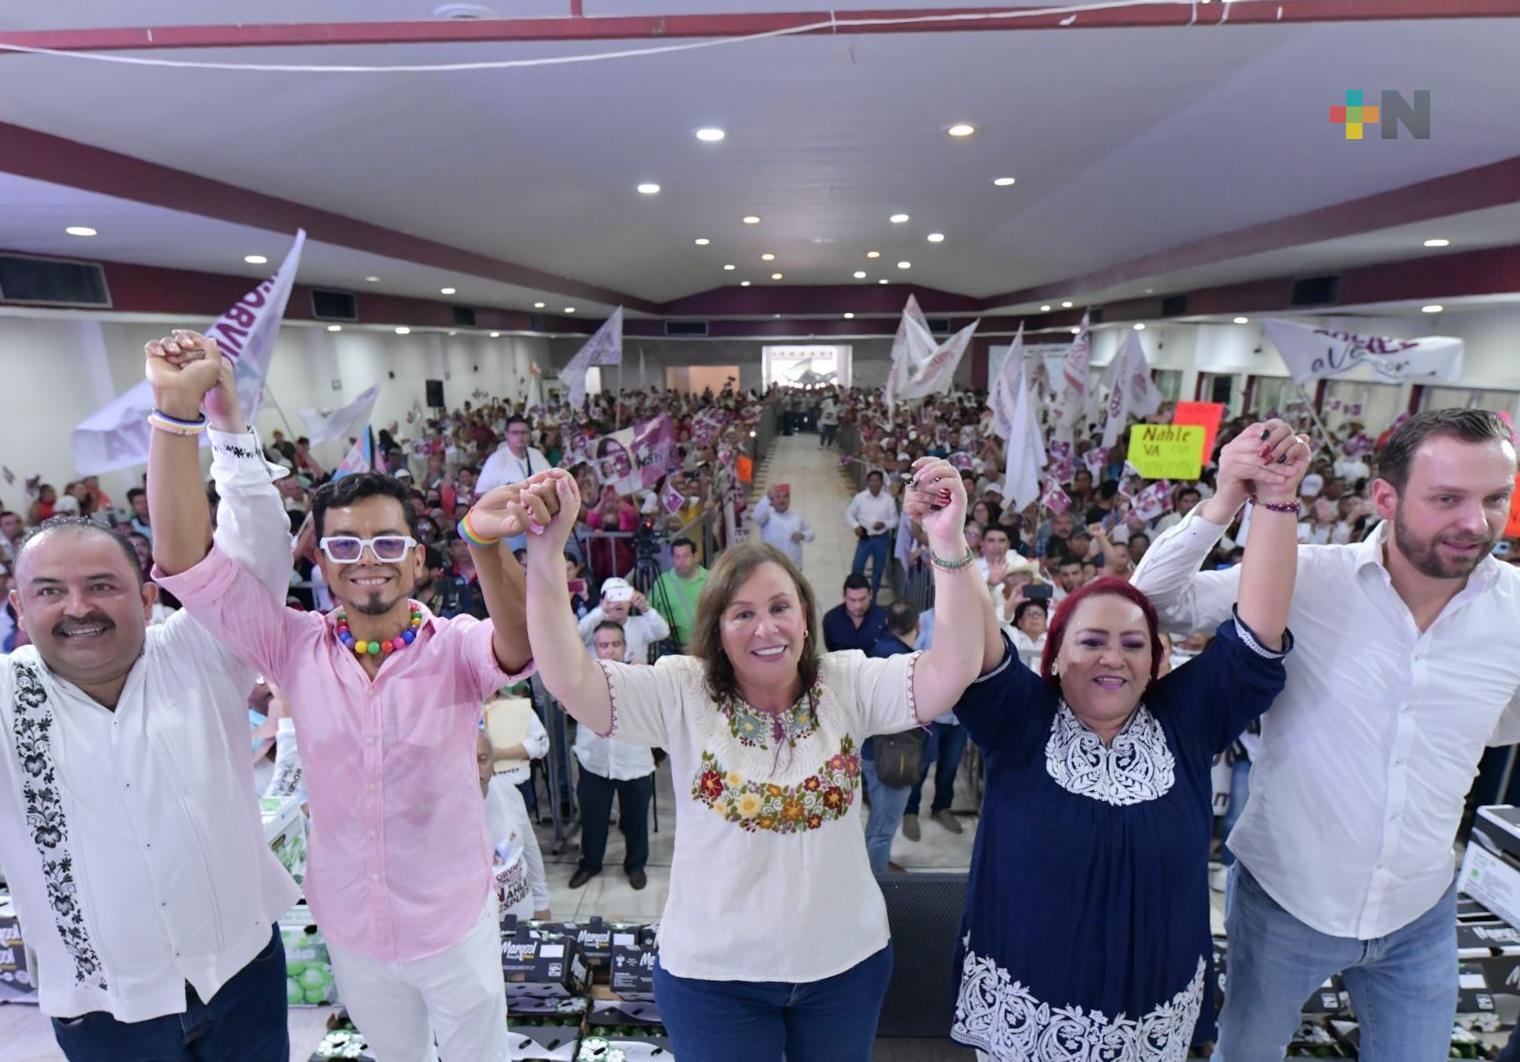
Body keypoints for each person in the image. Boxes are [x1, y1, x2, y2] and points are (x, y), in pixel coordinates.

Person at [151, 329, 540, 1062]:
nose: (369, 561)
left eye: (388, 543)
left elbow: (519, 646)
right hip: (353, 929)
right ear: (322, 565)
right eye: (346, 546)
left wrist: (487, 543)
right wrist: (184, 415)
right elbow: (183, 562)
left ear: (419, 560)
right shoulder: (290, 644)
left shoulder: (453, 647)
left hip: (454, 922)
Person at [521, 459, 986, 1062]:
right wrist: (547, 552)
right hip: (714, 980)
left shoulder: (845, 684)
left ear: (805, 615)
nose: (765, 628)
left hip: (844, 969)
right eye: (742, 613)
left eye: (780, 607)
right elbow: (569, 675)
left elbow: (952, 669)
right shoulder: (681, 690)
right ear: (717, 629)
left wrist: (948, 542)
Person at [1132, 410, 1520, 1061]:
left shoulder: (1514, 610)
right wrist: (1229, 494)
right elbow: (1150, 604)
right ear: (1386, 497)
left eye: (1495, 500)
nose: (1476, 523)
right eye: (1448, 498)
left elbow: (1501, 722)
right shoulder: (1307, 576)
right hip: (1288, 901)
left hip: (1420, 909)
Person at [947, 429, 1309, 1059]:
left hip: (1153, 1024)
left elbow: (1257, 629)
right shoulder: (1021, 721)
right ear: (1055, 657)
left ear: (1157, 661)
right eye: (1091, 642)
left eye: (1134, 644)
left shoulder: (1187, 720)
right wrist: (949, 540)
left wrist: (1274, 499)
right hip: (1023, 1024)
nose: (1113, 658)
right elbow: (974, 637)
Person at [0, 335, 299, 1060]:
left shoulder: (197, 649)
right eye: (50, 592)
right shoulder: (8, 701)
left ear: (144, 594)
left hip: (242, 980)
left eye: (101, 586)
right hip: (105, 1013)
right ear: (17, 605)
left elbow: (257, 552)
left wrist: (221, 418)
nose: (78, 607)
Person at [570, 621, 658, 891]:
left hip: (635, 763)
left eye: (615, 644)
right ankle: (590, 864)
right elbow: (565, 704)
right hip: (594, 761)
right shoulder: (582, 677)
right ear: (594, 649)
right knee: (593, 818)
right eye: (603, 645)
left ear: (625, 647)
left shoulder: (642, 676)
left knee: (635, 819)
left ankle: (635, 866)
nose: (610, 651)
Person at [860, 601, 925, 871]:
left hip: (874, 752)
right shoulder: (909, 665)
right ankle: (876, 883)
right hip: (892, 756)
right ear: (917, 627)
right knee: (883, 828)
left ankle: (875, 864)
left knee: (878, 818)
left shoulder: (877, 652)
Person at [478, 731, 550, 924]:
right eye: (467, 761)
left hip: (524, 917)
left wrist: (542, 904)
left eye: (482, 760)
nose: (477, 771)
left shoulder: (507, 791)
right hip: (482, 931)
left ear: (493, 761)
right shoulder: (442, 816)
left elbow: (530, 848)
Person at [577, 576, 671, 665]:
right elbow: (577, 635)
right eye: (613, 596)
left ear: (630, 602)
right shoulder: (593, 626)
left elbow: (664, 632)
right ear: (601, 601)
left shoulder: (641, 623)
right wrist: (601, 611)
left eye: (622, 595)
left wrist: (645, 609)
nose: (618, 602)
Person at [846, 470, 898, 598]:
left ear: (881, 482)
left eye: (877, 480)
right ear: (868, 482)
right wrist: (856, 526)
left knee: (878, 570)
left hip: (881, 538)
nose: (874, 483)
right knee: (857, 567)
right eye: (872, 480)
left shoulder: (888, 500)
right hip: (865, 538)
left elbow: (895, 520)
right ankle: (856, 593)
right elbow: (849, 514)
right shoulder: (860, 498)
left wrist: (884, 524)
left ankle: (872, 596)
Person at [650, 537, 707, 650]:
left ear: (695, 557)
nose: (681, 561)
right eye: (677, 557)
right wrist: (663, 623)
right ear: (672, 559)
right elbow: (650, 611)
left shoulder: (710, 579)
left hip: (705, 645)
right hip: (672, 647)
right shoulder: (662, 583)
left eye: (686, 556)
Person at [752, 484, 815, 568]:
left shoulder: (797, 516)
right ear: (772, 500)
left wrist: (803, 536)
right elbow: (756, 516)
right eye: (778, 497)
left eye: (785, 496)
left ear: (789, 500)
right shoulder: (766, 516)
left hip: (793, 567)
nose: (782, 500)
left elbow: (811, 533)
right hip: (771, 566)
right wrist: (767, 497)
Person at [822, 574, 888, 653]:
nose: (858, 606)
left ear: (870, 595)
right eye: (852, 600)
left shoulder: (882, 618)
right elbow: (831, 649)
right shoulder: (831, 620)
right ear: (844, 596)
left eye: (862, 599)